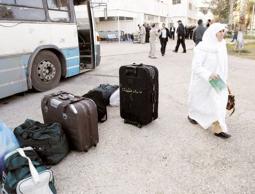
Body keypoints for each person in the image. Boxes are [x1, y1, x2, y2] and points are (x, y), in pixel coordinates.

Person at [188, 23, 231, 139]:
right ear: (213, 33)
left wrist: (225, 79)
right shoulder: (202, 47)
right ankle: (192, 115)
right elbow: (196, 67)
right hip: (203, 81)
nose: (223, 33)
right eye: (220, 31)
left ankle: (218, 128)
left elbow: (224, 64)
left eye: (223, 31)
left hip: (217, 81)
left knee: (219, 101)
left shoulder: (222, 45)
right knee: (199, 101)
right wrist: (208, 74)